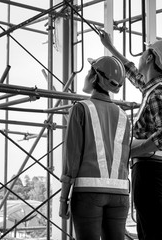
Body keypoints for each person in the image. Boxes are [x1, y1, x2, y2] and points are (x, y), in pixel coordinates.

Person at [99, 30, 162, 240]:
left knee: (155, 234)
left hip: (151, 169)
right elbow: (131, 72)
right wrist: (109, 46)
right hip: (154, 169)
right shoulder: (155, 87)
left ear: (150, 57)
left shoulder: (157, 93)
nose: (140, 56)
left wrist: (131, 150)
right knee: (148, 232)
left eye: (145, 51)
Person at [59, 55, 131, 240]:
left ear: (95, 77)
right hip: (120, 195)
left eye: (90, 71)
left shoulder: (81, 108)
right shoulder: (124, 116)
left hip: (89, 193)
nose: (87, 75)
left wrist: (63, 199)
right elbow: (124, 158)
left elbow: (72, 158)